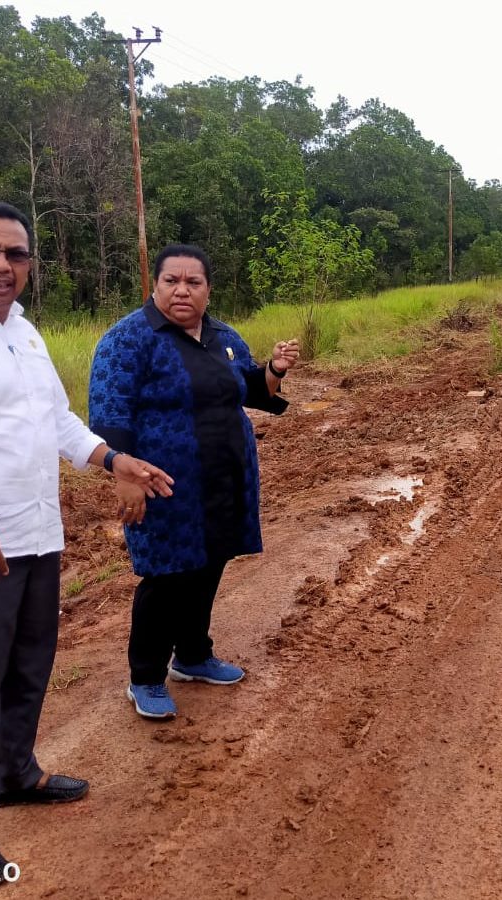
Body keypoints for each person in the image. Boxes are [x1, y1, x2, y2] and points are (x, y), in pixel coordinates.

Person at [0, 200, 174, 887]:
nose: (3, 266)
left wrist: (113, 460)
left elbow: (59, 421)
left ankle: (15, 772)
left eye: (16, 255)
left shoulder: (22, 331)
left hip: (35, 532)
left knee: (28, 665)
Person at [88, 244, 299, 720]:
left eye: (193, 282)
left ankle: (193, 656)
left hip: (225, 473)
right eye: (172, 281)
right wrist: (122, 472)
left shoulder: (222, 335)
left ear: (207, 288)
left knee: (210, 563)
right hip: (163, 482)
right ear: (156, 285)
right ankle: (146, 676)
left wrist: (274, 370)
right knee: (166, 575)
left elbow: (249, 388)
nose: (182, 290)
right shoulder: (129, 339)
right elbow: (108, 411)